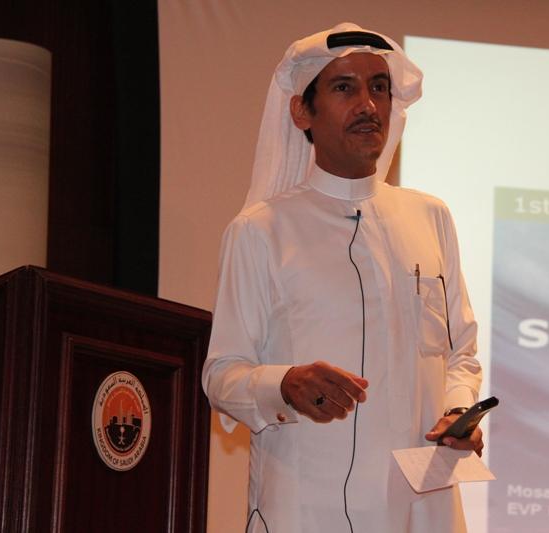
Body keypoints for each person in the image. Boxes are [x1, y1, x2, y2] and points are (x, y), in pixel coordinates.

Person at [202, 22, 482, 533]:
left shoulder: (430, 217)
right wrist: (284, 383)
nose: (368, 105)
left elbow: (460, 353)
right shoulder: (262, 231)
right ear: (301, 111)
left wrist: (459, 411)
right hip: (306, 509)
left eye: (380, 87)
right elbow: (222, 375)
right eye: (344, 88)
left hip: (424, 509)